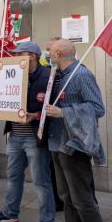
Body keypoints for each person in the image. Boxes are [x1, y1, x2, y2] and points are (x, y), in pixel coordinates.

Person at [45, 39, 111, 222]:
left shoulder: (81, 75)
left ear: (59, 52)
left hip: (74, 146)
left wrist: (64, 113)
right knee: (67, 197)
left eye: (49, 51)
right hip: (57, 143)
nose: (47, 55)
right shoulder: (58, 76)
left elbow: (97, 108)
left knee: (83, 198)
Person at [0, 42, 58, 222]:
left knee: (41, 181)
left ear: (32, 56)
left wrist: (33, 115)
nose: (15, 56)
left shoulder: (49, 76)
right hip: (15, 135)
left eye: (19, 53)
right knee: (13, 177)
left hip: (34, 137)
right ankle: (10, 213)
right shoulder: (13, 72)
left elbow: (55, 109)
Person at [44, 37, 65, 212]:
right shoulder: (50, 71)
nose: (47, 53)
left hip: (67, 133)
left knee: (78, 176)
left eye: (49, 49)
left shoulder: (73, 73)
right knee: (53, 170)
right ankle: (58, 202)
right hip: (51, 132)